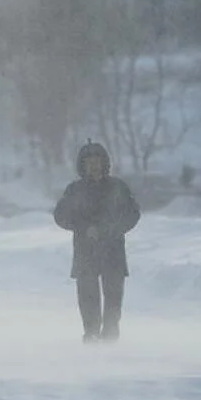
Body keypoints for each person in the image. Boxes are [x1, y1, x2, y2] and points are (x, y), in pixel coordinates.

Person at [53, 141, 141, 343]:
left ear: (104, 163)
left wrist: (112, 229)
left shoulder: (117, 187)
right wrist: (83, 228)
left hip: (113, 250)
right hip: (86, 251)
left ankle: (110, 333)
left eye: (97, 161)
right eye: (89, 162)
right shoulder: (75, 190)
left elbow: (133, 214)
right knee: (88, 296)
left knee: (113, 297)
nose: (93, 166)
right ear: (82, 165)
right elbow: (60, 216)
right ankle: (91, 333)